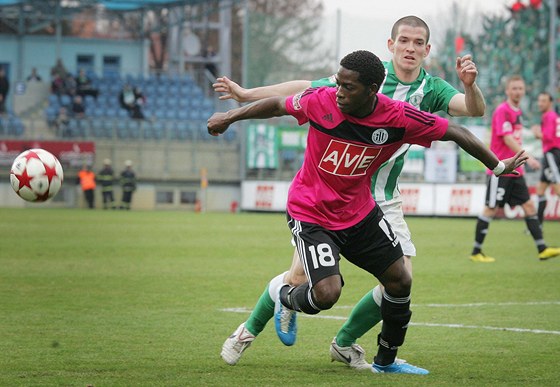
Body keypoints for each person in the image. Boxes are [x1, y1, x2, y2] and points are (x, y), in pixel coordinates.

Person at [209, 50, 526, 374]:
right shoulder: (321, 101)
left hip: (359, 212)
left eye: (348, 87)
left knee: (400, 280)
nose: (340, 92)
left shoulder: (398, 116)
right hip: (311, 212)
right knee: (326, 293)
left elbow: (457, 132)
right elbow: (278, 104)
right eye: (338, 84)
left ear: (373, 89)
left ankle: (385, 360)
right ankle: (282, 297)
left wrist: (498, 166)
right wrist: (231, 116)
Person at [470, 76, 560, 262]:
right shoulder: (503, 110)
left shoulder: (517, 112)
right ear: (507, 91)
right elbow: (507, 138)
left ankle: (542, 248)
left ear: (524, 91)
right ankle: (476, 252)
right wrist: (528, 156)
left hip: (516, 170)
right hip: (500, 168)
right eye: (514, 88)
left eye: (520, 88)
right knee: (491, 209)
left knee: (528, 206)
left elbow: (514, 137)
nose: (518, 91)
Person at [531, 92, 560, 228]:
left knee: (557, 188)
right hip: (550, 153)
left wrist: (537, 133)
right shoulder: (552, 116)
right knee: (540, 190)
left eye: (543, 101)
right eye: (539, 101)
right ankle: (539, 225)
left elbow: (548, 137)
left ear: (550, 103)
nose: (540, 103)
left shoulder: (549, 116)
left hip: (551, 154)